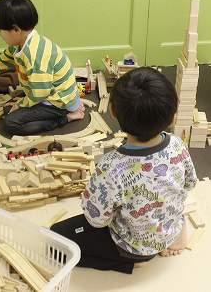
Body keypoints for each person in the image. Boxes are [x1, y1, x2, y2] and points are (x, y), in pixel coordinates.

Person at [50, 67, 198, 273]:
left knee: (55, 238)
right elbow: (190, 183)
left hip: (132, 246)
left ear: (112, 111)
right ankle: (174, 235)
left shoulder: (110, 167)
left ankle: (129, 261)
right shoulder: (177, 145)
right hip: (169, 227)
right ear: (173, 117)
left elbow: (97, 220)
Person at [0, 0, 85, 135]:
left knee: (11, 123)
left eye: (1, 30)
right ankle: (66, 109)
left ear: (16, 30)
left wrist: (19, 105)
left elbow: (40, 94)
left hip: (56, 102)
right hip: (45, 94)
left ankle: (66, 117)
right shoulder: (21, 44)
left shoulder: (35, 56)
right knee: (7, 111)